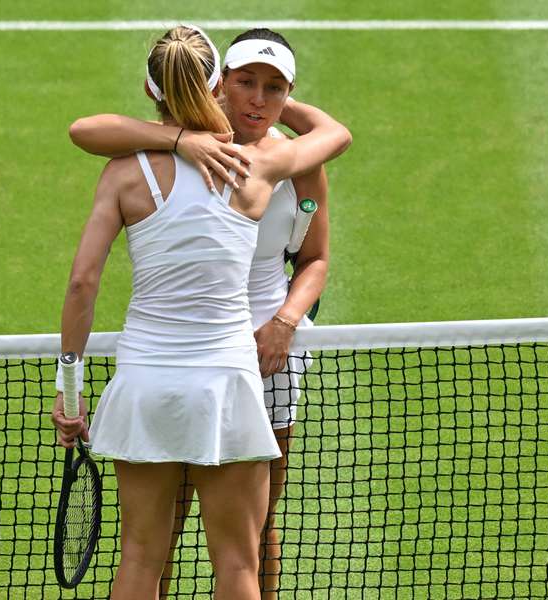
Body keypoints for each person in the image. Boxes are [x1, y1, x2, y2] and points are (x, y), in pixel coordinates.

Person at [53, 25, 349, 600]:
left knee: (139, 560)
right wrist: (197, 137)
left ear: (147, 90)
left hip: (145, 382)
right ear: (218, 86)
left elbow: (82, 282)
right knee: (239, 564)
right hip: (227, 380)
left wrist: (70, 391)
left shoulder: (120, 172)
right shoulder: (258, 168)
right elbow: (335, 135)